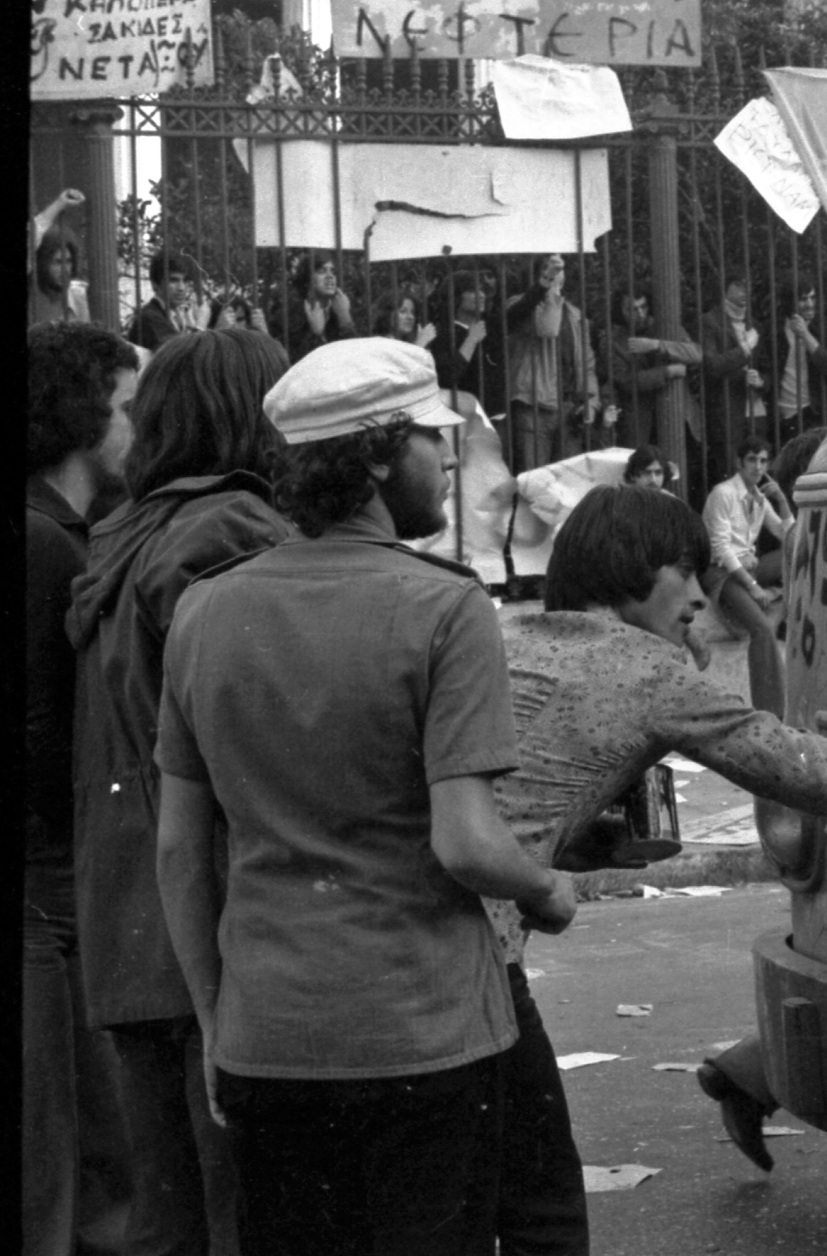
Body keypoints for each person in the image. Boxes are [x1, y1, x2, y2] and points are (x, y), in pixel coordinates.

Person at [153, 337, 577, 1256]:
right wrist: (547, 889)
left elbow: (181, 850)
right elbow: (466, 843)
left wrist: (216, 1020)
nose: (450, 457)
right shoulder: (445, 608)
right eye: (432, 437)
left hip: (266, 1034)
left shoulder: (204, 610)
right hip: (422, 1032)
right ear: (379, 456)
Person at [496, 484, 827, 1172]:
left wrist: (573, 845)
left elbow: (510, 795)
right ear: (629, 568)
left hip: (406, 937)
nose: (699, 600)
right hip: (476, 960)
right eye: (686, 572)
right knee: (534, 1188)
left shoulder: (507, 639)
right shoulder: (648, 673)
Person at [67, 327, 292, 1256]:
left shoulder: (125, 533)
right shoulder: (232, 531)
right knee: (251, 1211)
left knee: (173, 1219)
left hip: (130, 918)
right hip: (217, 913)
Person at [24, 322, 140, 1256]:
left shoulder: (66, 534)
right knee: (83, 1152)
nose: (143, 426)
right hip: (55, 877)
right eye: (130, 406)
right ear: (83, 414)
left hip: (57, 875)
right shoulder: (48, 546)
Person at [702, 437, 793, 717]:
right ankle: (771, 711)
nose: (758, 467)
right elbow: (721, 549)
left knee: (792, 553)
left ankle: (786, 608)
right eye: (752, 460)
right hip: (723, 573)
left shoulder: (760, 498)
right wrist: (753, 587)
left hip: (750, 567)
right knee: (762, 630)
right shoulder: (723, 493)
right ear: (739, 462)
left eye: (763, 461)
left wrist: (782, 500)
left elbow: (788, 536)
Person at [504, 253, 602, 472]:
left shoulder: (576, 315)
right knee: (535, 479)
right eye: (550, 268)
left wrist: (592, 402)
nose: (557, 272)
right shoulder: (520, 304)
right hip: (534, 407)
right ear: (538, 274)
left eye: (560, 268)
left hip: (569, 409)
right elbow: (548, 329)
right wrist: (551, 289)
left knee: (567, 482)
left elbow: (587, 364)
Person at [599, 285, 698, 451]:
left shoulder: (665, 327)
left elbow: (695, 354)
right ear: (621, 311)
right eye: (632, 309)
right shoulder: (612, 341)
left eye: (643, 306)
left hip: (676, 412)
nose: (640, 313)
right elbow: (626, 381)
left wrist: (657, 345)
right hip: (640, 419)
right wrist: (666, 372)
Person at [697, 277, 769, 490]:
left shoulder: (755, 324)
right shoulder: (710, 321)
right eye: (738, 284)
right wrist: (745, 348)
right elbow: (712, 365)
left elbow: (768, 368)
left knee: (758, 472)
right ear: (725, 288)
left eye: (748, 284)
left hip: (756, 409)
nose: (745, 290)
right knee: (731, 473)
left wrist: (761, 381)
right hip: (727, 409)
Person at [770, 282, 827, 436]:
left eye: (813, 298)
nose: (810, 304)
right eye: (803, 299)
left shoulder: (824, 328)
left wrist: (805, 334)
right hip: (781, 415)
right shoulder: (774, 330)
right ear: (790, 301)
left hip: (813, 412)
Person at [431, 270, 504, 412]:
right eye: (473, 290)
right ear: (456, 296)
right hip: (465, 417)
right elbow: (447, 376)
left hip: (497, 416)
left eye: (482, 290)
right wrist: (472, 339)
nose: (481, 295)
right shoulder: (443, 334)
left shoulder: (488, 328)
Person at [128, 251, 210, 352]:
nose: (181, 288)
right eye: (173, 280)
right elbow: (178, 356)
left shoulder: (180, 314)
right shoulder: (149, 317)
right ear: (155, 284)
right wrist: (200, 325)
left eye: (185, 281)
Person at [283, 250, 356, 362]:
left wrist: (345, 319)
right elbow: (292, 364)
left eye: (333, 271)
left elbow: (357, 359)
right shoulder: (289, 316)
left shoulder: (343, 309)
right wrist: (315, 334)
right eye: (322, 271)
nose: (330, 276)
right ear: (307, 278)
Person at [30, 223, 91, 327]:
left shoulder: (80, 298)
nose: (65, 270)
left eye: (69, 261)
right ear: (43, 263)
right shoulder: (32, 299)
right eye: (57, 262)